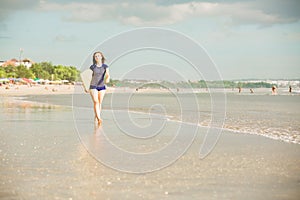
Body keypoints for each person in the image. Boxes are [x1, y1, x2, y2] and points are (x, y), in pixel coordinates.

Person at [88, 51, 110, 125]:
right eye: (95, 56)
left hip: (102, 86)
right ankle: (99, 118)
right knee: (96, 102)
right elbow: (88, 77)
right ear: (94, 58)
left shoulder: (105, 66)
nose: (97, 57)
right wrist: (85, 86)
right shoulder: (92, 67)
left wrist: (107, 78)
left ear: (101, 57)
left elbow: (107, 74)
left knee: (100, 103)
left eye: (98, 56)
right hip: (93, 86)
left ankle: (97, 116)